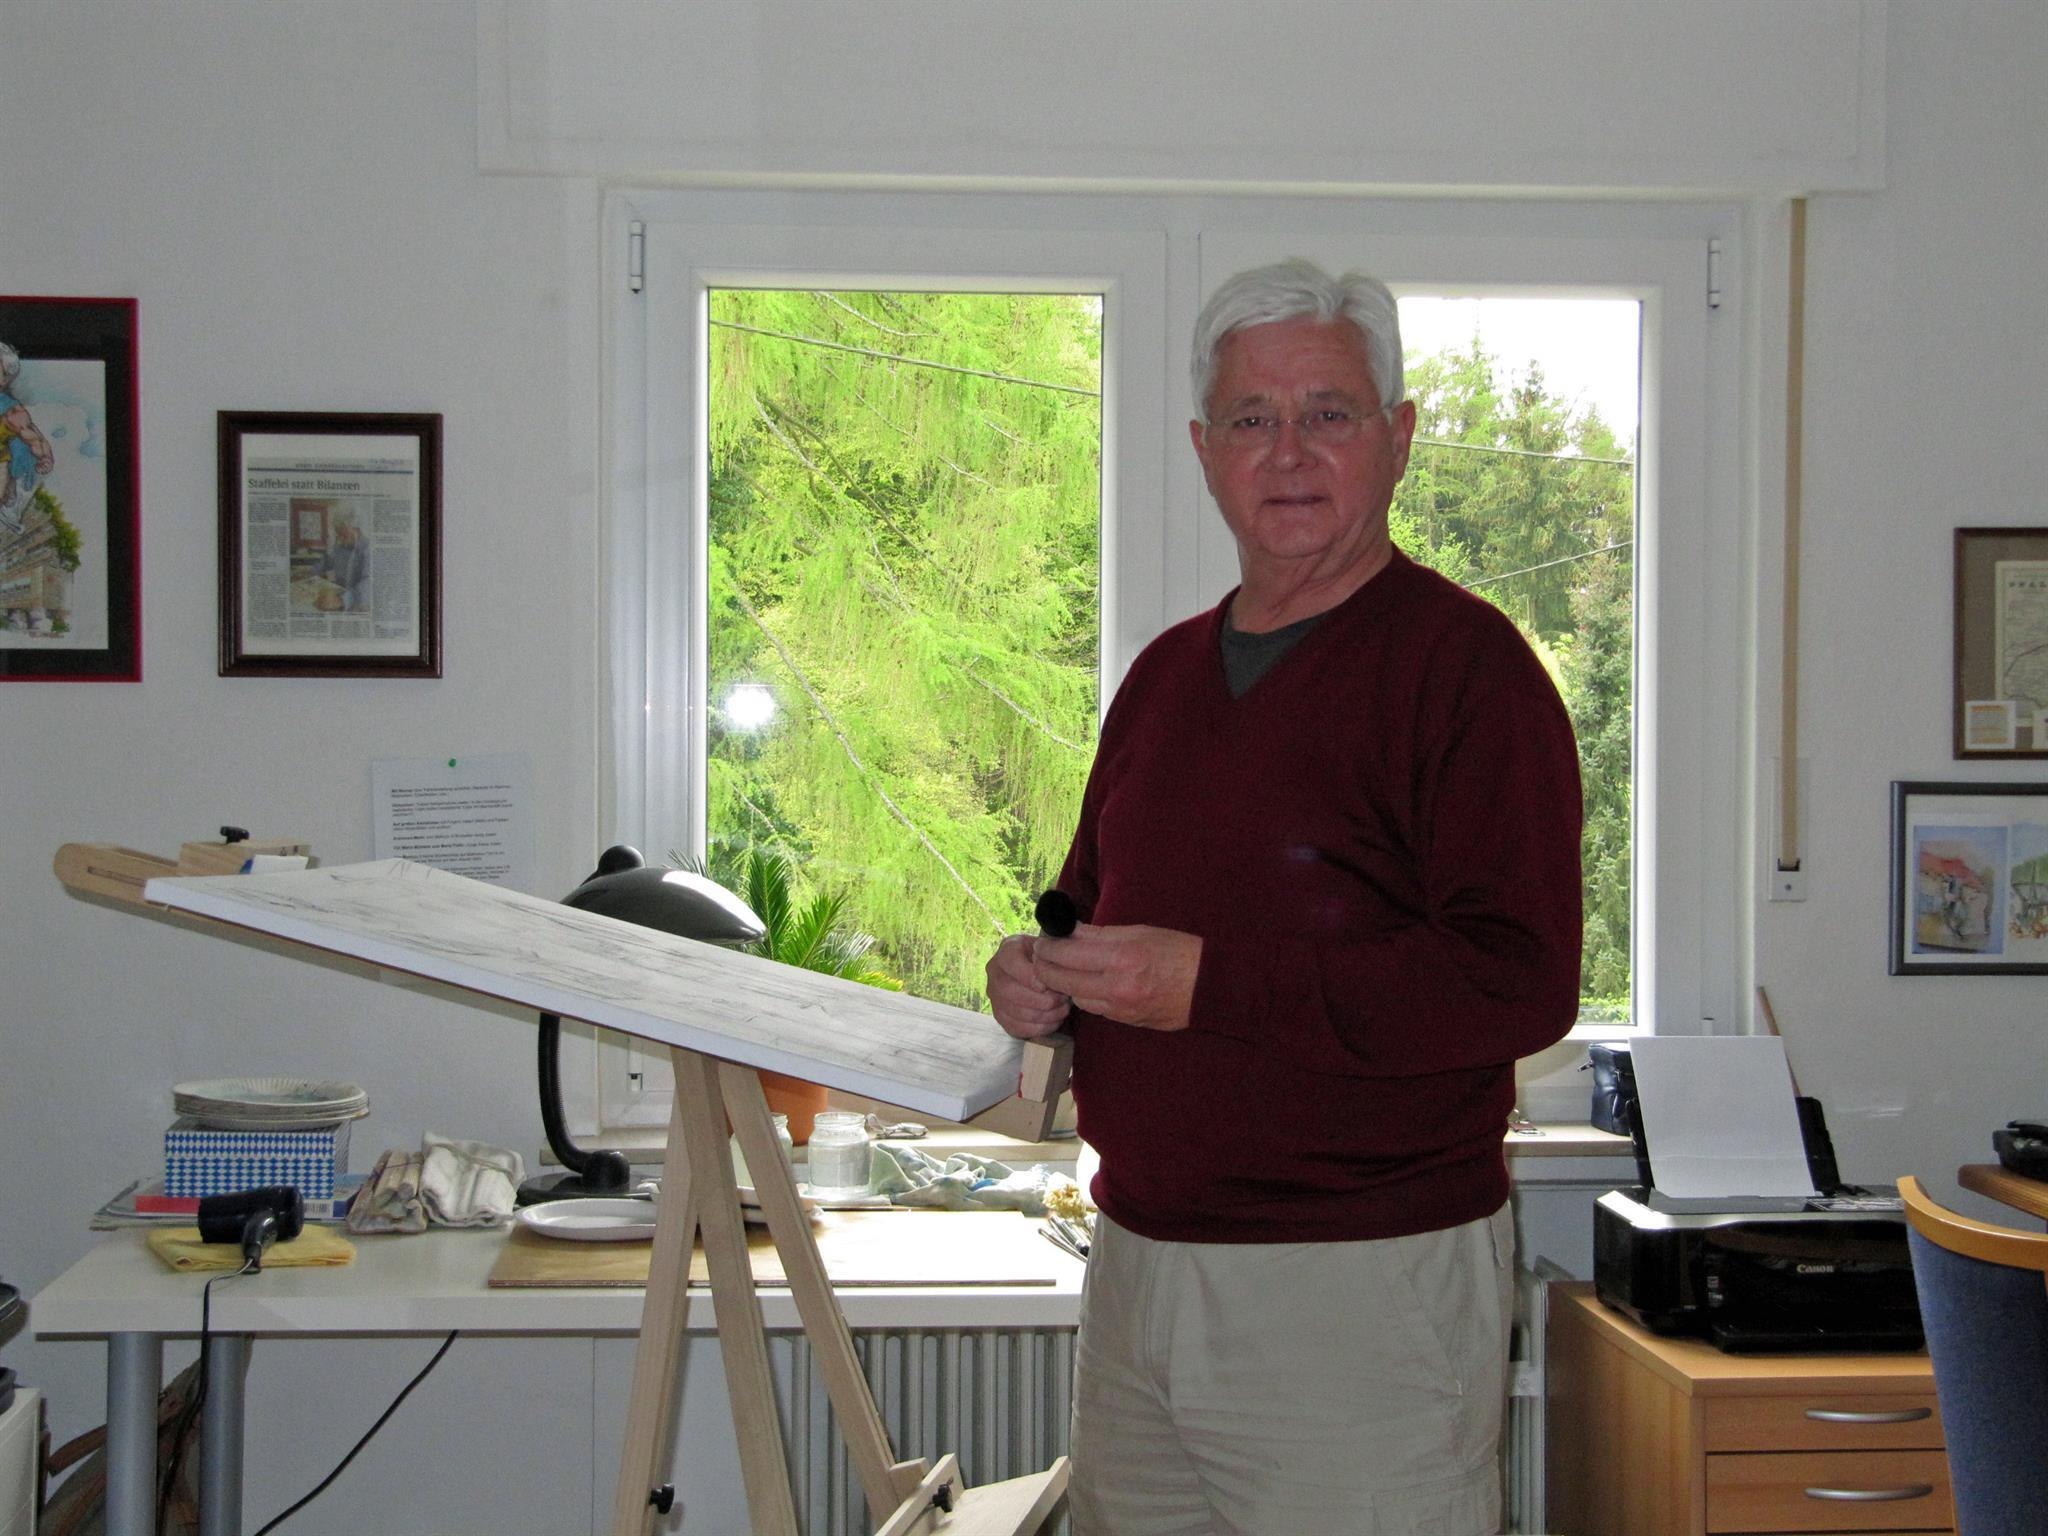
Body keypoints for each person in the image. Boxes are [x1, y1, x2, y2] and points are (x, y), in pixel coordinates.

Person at [986, 258, 1583, 1534]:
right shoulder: (1162, 677)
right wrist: (1038, 983)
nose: (1289, 451)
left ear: (1397, 438)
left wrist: (1207, 985)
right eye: (1252, 418)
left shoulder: (1466, 671)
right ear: (1204, 451)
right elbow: (1085, 906)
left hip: (1359, 1290)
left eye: (1328, 413)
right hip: (1137, 1267)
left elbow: (1517, 980)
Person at [316, 515, 369, 612]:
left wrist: (342, 600)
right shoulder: (341, 545)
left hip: (356, 602)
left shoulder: (368, 548)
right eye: (338, 533)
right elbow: (328, 562)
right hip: (337, 594)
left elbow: (368, 582)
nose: (340, 538)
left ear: (355, 527)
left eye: (342, 533)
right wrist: (312, 570)